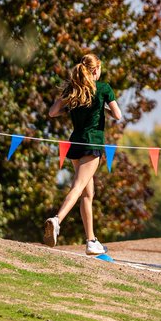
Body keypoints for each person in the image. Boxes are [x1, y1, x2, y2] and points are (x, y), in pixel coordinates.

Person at [43, 54, 122, 254]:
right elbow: (119, 115)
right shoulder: (103, 88)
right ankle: (57, 220)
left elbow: (53, 112)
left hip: (75, 143)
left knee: (88, 193)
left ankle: (91, 240)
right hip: (92, 142)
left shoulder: (73, 89)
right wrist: (105, 108)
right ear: (96, 70)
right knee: (78, 187)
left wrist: (69, 108)